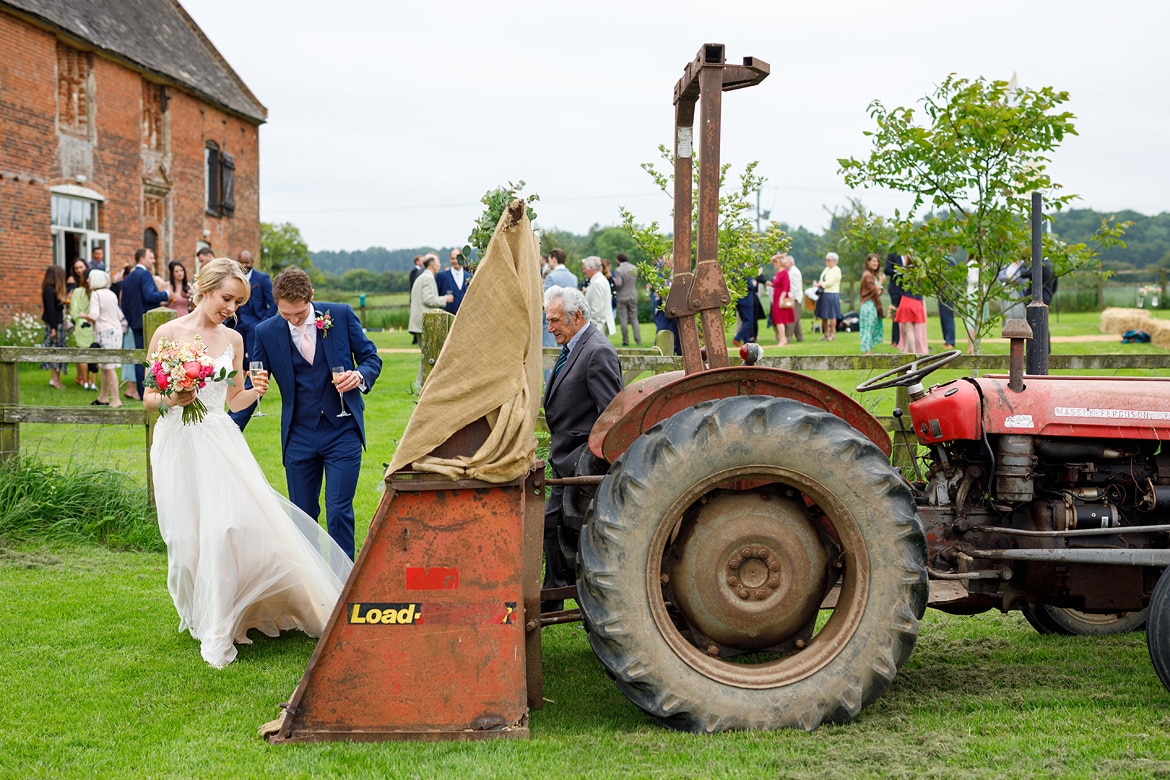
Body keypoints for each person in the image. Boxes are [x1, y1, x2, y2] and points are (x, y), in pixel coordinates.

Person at [144, 258, 352, 669]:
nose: (231, 309)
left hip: (219, 440)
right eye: (227, 299)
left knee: (228, 528)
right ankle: (204, 614)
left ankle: (229, 619)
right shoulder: (167, 334)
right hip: (177, 442)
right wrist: (174, 397)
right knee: (186, 539)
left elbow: (233, 399)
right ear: (204, 289)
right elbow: (149, 397)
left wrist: (255, 391)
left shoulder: (235, 340)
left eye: (238, 302)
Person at [252, 267, 383, 560]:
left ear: (311, 297)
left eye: (299, 314)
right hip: (299, 436)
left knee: (338, 511)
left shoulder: (341, 315)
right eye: (287, 316)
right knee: (303, 517)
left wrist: (359, 376)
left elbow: (371, 358)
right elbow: (256, 381)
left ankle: (342, 583)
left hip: (342, 430)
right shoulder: (266, 332)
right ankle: (313, 588)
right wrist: (233, 421)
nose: (295, 321)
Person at [541, 286, 622, 611]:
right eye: (548, 321)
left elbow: (612, 417)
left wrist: (589, 460)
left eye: (555, 320)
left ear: (577, 317)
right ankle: (554, 593)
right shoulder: (575, 348)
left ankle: (562, 596)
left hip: (580, 463)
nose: (550, 328)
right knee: (551, 525)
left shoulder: (597, 351)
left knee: (563, 529)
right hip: (564, 459)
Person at [120, 248, 172, 397]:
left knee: (139, 358)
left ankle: (142, 391)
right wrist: (166, 294)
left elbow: (123, 303)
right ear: (141, 259)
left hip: (135, 324)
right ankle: (151, 391)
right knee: (152, 357)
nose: (153, 260)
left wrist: (131, 320)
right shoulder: (145, 274)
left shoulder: (128, 278)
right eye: (151, 257)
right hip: (149, 323)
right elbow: (150, 296)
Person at [82, 270, 125, 407]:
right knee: (105, 366)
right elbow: (117, 315)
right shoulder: (111, 294)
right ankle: (103, 397)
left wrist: (83, 315)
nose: (87, 281)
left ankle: (115, 399)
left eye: (89, 278)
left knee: (109, 367)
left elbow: (94, 315)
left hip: (105, 333)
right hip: (116, 331)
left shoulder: (96, 294)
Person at [408, 253, 452, 383]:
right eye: (438, 262)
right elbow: (428, 300)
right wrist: (445, 299)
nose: (439, 264)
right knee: (430, 358)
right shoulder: (428, 278)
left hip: (420, 323)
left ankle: (422, 387)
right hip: (424, 323)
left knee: (429, 357)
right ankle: (420, 387)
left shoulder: (424, 276)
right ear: (432, 264)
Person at [231, 249, 275, 363]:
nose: (244, 265)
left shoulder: (262, 279)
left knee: (254, 357)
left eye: (247, 262)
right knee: (236, 356)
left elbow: (274, 303)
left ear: (252, 262)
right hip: (237, 323)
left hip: (255, 323)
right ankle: (239, 380)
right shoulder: (234, 279)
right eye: (241, 262)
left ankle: (252, 380)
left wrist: (263, 322)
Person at [67, 259, 94, 390]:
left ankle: (86, 381)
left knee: (83, 355)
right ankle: (91, 381)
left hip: (81, 326)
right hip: (93, 325)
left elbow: (73, 312)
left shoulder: (77, 292)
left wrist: (78, 319)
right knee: (92, 355)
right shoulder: (95, 292)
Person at [893, 253, 928, 354]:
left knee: (908, 330)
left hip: (907, 301)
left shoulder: (907, 271)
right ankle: (907, 352)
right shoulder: (921, 272)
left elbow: (900, 287)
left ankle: (911, 354)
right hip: (917, 302)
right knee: (910, 329)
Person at [41, 265, 68, 389]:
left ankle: (56, 378)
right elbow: (51, 311)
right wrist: (53, 328)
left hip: (57, 325)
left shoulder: (53, 290)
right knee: (55, 351)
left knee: (58, 351)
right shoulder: (49, 291)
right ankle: (55, 379)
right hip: (54, 326)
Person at [611, 252, 641, 346]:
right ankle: (638, 340)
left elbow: (619, 284)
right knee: (634, 319)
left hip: (622, 297)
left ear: (618, 260)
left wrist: (614, 282)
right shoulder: (634, 268)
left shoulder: (618, 270)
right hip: (633, 295)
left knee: (624, 320)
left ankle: (625, 341)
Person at [859, 252, 885, 355]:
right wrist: (881, 282)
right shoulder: (867, 275)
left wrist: (879, 289)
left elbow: (876, 292)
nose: (876, 263)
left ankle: (869, 351)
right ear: (868, 262)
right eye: (874, 261)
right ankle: (867, 353)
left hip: (872, 305)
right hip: (868, 306)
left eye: (877, 261)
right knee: (868, 329)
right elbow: (873, 290)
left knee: (871, 328)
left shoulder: (872, 275)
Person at [582, 255, 615, 336]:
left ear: (591, 268)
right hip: (599, 327)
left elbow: (596, 312)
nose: (583, 271)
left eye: (584, 268)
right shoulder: (599, 280)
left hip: (597, 329)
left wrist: (589, 331)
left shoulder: (597, 283)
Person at [814, 252, 843, 341]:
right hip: (824, 294)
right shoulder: (826, 269)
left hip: (832, 293)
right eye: (826, 260)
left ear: (834, 261)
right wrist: (819, 284)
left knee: (832, 314)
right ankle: (825, 333)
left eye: (829, 260)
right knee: (824, 315)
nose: (827, 261)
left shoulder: (836, 270)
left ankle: (832, 334)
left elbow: (830, 282)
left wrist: (821, 284)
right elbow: (822, 279)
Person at [435, 248, 471, 315]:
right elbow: (436, 296)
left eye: (457, 258)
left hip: (465, 316)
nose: (455, 261)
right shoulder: (441, 276)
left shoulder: (469, 276)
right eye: (452, 258)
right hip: (446, 318)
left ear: (463, 258)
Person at [769, 253, 794, 346]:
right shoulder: (777, 273)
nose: (774, 264)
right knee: (777, 319)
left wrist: (781, 299)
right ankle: (782, 338)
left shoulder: (784, 273)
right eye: (774, 263)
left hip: (781, 297)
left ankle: (783, 339)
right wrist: (771, 285)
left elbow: (785, 287)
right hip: (776, 296)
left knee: (780, 320)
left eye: (776, 262)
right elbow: (778, 285)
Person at [885, 253, 905, 347]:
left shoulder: (910, 253)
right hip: (896, 289)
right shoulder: (893, 255)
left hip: (907, 290)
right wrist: (900, 272)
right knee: (896, 314)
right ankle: (895, 340)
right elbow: (887, 270)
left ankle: (905, 340)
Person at [784, 254, 804, 343]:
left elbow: (795, 287)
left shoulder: (794, 272)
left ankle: (788, 336)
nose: (785, 265)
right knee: (796, 319)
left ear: (790, 263)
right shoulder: (791, 271)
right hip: (794, 297)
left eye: (786, 263)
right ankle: (800, 337)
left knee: (792, 318)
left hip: (795, 298)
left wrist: (790, 297)